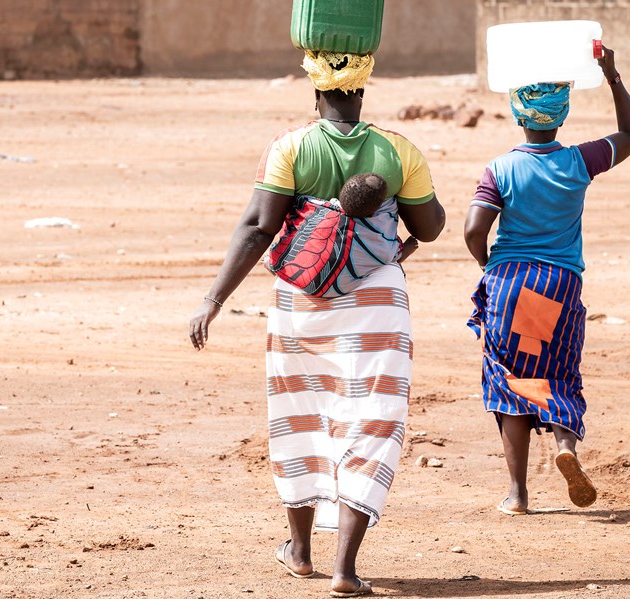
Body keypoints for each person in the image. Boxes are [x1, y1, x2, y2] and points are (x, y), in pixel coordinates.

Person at [190, 48, 445, 597]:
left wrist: (214, 299)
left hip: (300, 304)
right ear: (362, 89)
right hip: (377, 301)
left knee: (300, 414)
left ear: (316, 93)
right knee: (371, 418)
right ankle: (345, 569)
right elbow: (430, 225)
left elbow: (259, 229)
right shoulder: (398, 150)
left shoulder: (290, 147)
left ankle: (300, 552)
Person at [463, 46, 630, 516]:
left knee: (509, 382)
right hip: (559, 284)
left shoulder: (500, 168)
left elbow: (472, 229)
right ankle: (566, 446)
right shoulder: (580, 161)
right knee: (557, 372)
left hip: (509, 282)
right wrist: (613, 76)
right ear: (561, 116)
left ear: (518, 113)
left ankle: (518, 495)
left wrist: (489, 265)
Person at [271, 172, 419, 298]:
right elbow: (392, 253)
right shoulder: (376, 242)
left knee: (303, 234)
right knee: (385, 261)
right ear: (374, 212)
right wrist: (408, 247)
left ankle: (274, 263)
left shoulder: (321, 208)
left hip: (295, 273)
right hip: (330, 290)